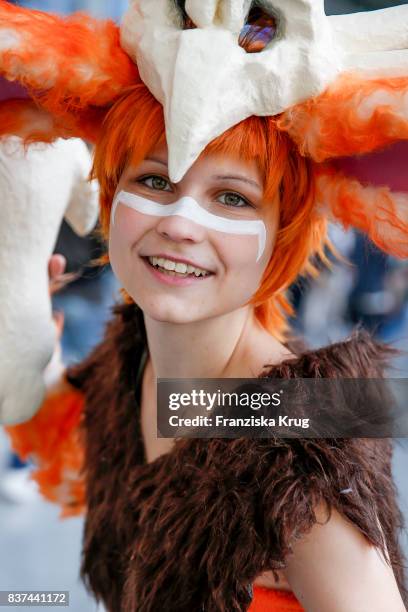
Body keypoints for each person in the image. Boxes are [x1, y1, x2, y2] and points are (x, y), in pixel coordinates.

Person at [1, 1, 408, 610]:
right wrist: (22, 324)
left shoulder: (299, 454)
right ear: (111, 197)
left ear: (283, 232)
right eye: (156, 182)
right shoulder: (134, 358)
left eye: (232, 198)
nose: (181, 225)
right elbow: (82, 449)